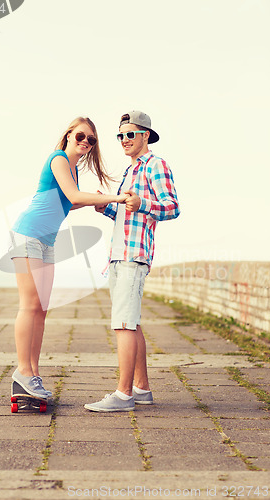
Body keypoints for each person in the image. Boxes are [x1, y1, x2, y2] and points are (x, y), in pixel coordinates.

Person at [9, 117, 128, 399]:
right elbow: (73, 195)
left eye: (91, 140)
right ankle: (23, 372)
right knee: (30, 306)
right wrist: (117, 198)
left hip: (47, 241)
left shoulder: (72, 170)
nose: (85, 142)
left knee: (42, 309)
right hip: (27, 235)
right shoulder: (58, 159)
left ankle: (32, 375)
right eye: (81, 136)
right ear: (68, 136)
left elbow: (70, 201)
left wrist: (99, 199)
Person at [84, 110, 180, 412]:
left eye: (130, 134)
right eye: (120, 135)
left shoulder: (156, 165)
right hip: (117, 254)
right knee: (131, 323)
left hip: (134, 255)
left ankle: (123, 395)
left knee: (123, 324)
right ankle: (141, 389)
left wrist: (142, 202)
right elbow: (128, 214)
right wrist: (106, 208)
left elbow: (172, 206)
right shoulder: (130, 170)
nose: (124, 140)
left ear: (146, 136)